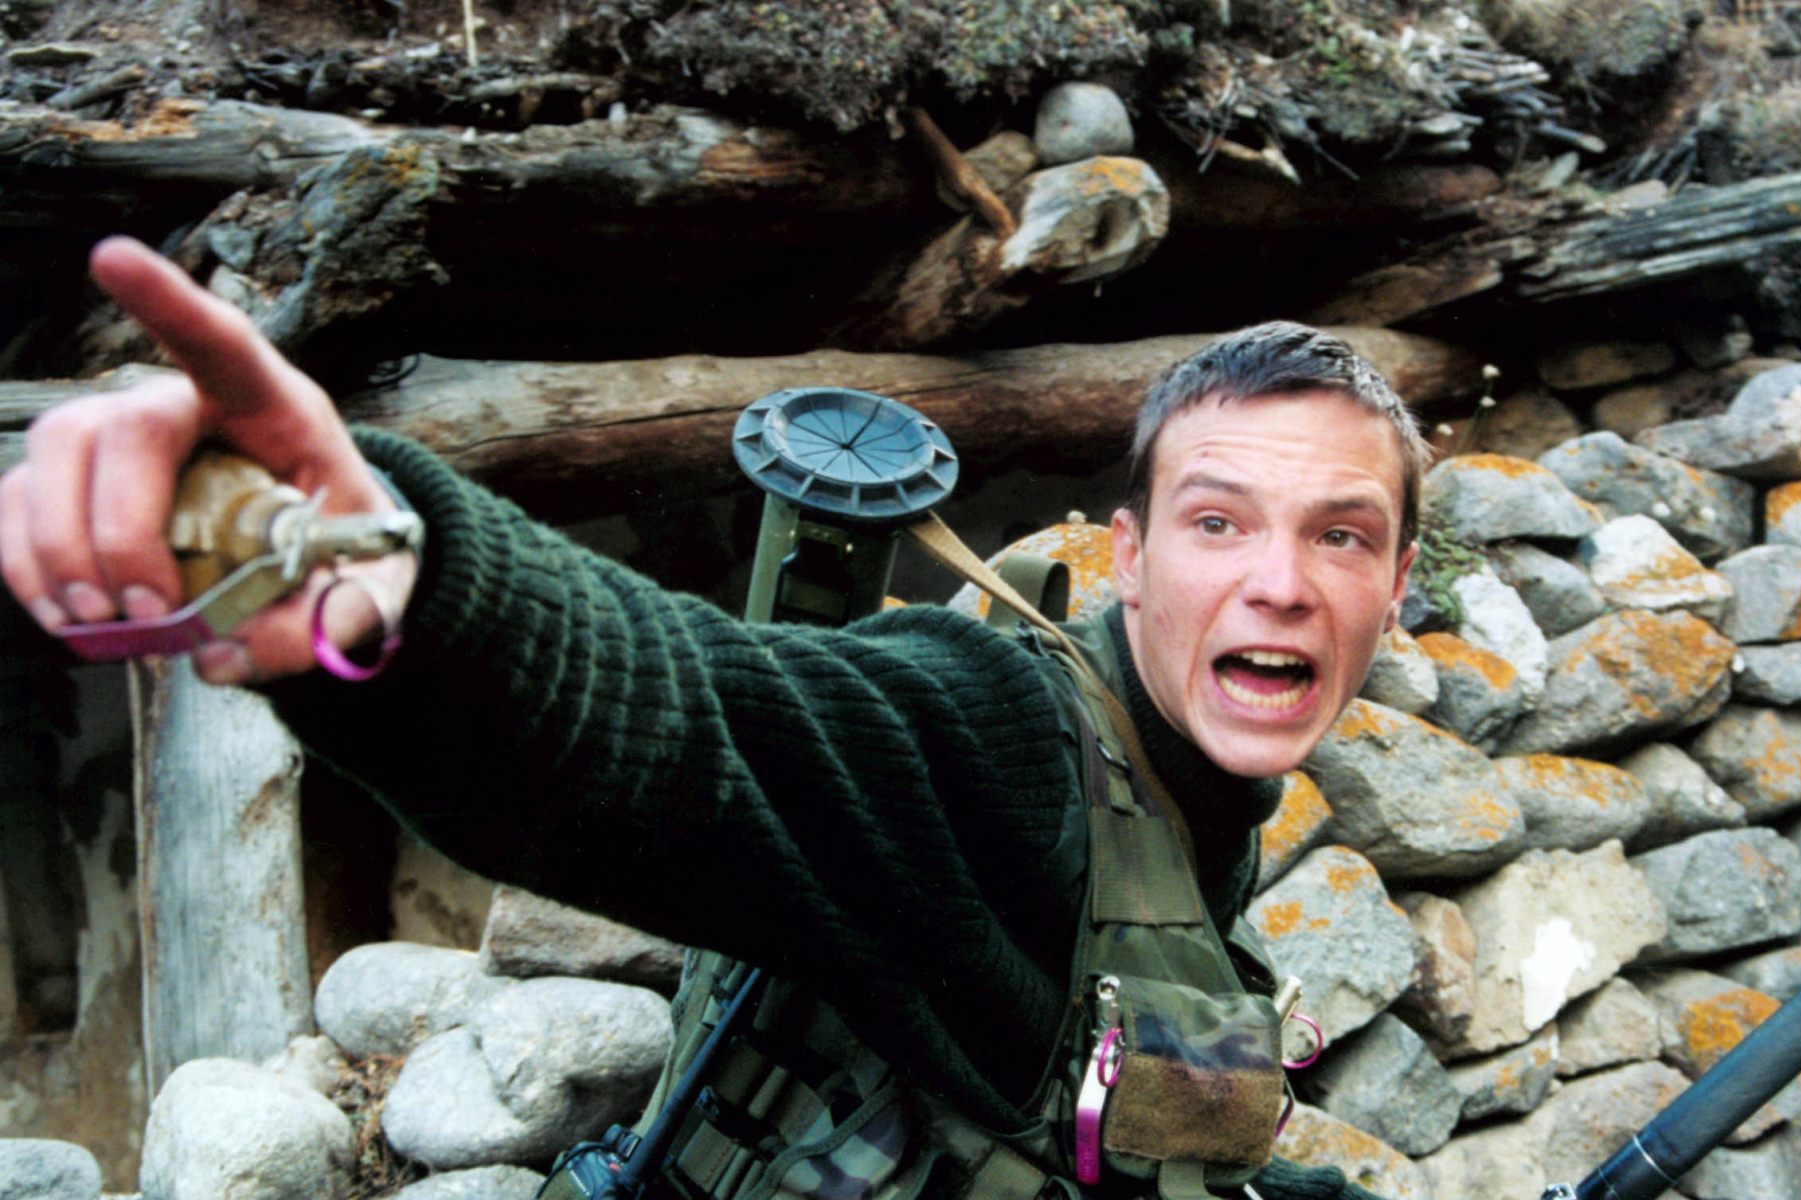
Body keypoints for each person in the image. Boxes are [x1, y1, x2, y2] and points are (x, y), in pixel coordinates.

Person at [0, 238, 1423, 1200]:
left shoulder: (1201, 799)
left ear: (1400, 580)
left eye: (1341, 535)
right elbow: (709, 722)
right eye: (1218, 522)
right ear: (1130, 557)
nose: (1281, 584)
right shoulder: (1004, 732)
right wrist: (408, 585)